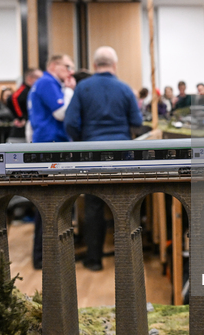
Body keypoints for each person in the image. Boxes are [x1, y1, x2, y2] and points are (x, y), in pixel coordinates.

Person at [64, 46, 142, 271]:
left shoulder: (83, 88)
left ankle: (94, 259)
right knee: (125, 204)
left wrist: (83, 141)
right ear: (115, 65)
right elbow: (137, 121)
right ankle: (127, 260)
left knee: (93, 205)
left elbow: (70, 122)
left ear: (95, 64)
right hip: (122, 153)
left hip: (92, 153)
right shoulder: (125, 88)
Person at [28, 54, 76, 269]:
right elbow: (61, 113)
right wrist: (69, 90)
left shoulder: (44, 83)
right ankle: (43, 257)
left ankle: (45, 255)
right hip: (51, 146)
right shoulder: (48, 82)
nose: (70, 72)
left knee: (49, 202)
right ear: (53, 65)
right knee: (49, 202)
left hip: (47, 144)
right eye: (67, 66)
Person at [6, 68, 43, 140]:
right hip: (21, 131)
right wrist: (20, 117)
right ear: (29, 78)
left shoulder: (34, 91)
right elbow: (13, 99)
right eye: (38, 78)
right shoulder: (24, 90)